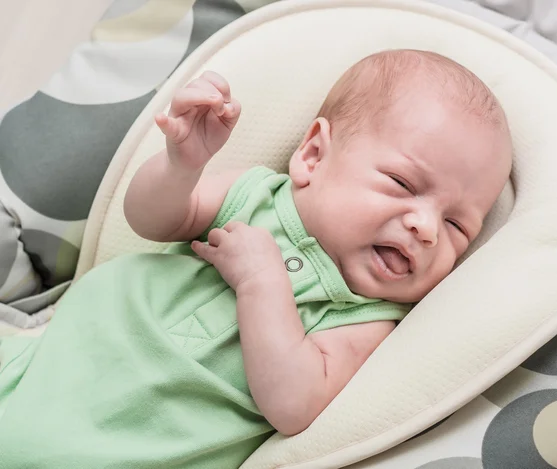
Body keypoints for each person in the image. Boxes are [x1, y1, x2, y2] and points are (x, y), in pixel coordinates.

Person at [0, 50, 512, 468]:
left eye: (456, 226)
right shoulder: (256, 197)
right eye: (403, 184)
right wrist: (183, 164)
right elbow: (152, 220)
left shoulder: (367, 315)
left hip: (141, 444)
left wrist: (262, 283)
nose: (425, 228)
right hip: (69, 355)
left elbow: (294, 405)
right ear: (313, 156)